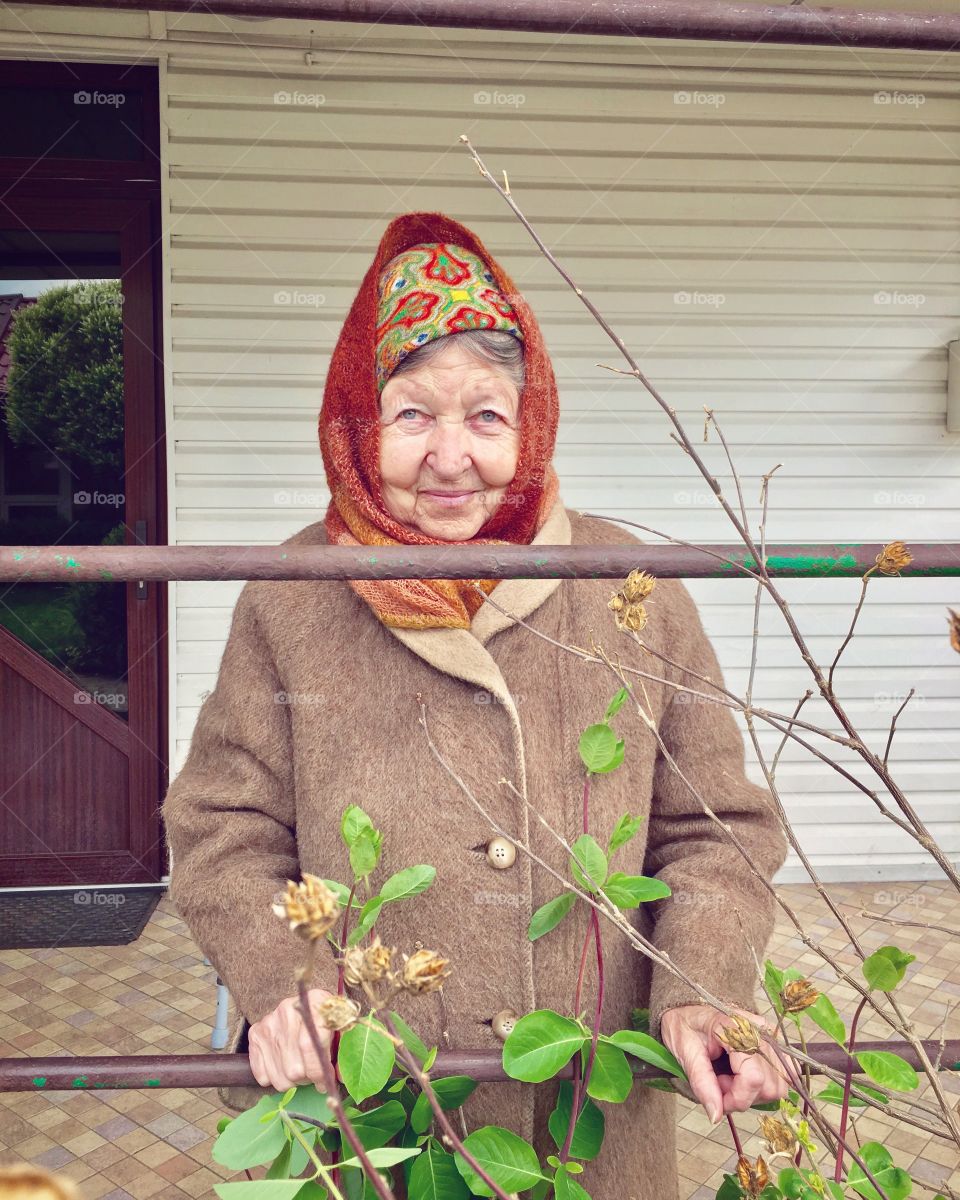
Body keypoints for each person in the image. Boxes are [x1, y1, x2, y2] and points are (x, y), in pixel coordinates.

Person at [162, 212, 790, 1200]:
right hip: (378, 1114)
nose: (450, 457)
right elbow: (221, 825)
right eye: (412, 415)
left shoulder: (633, 588)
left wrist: (706, 987)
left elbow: (715, 829)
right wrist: (283, 980)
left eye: (486, 416)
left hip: (591, 1126)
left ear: (529, 417)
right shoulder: (291, 594)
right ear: (363, 423)